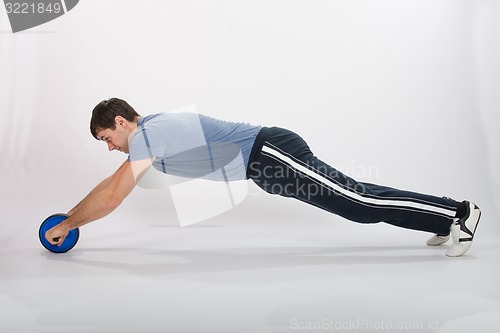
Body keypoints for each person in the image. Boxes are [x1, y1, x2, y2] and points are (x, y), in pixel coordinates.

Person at [45, 98, 481, 257]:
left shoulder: (151, 133)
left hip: (269, 152)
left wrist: (66, 224)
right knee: (356, 205)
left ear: (121, 122)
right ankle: (442, 221)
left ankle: (458, 214)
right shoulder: (150, 137)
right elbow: (112, 185)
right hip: (265, 168)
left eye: (106, 137)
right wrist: (69, 216)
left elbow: (114, 196)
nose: (109, 147)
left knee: (358, 201)